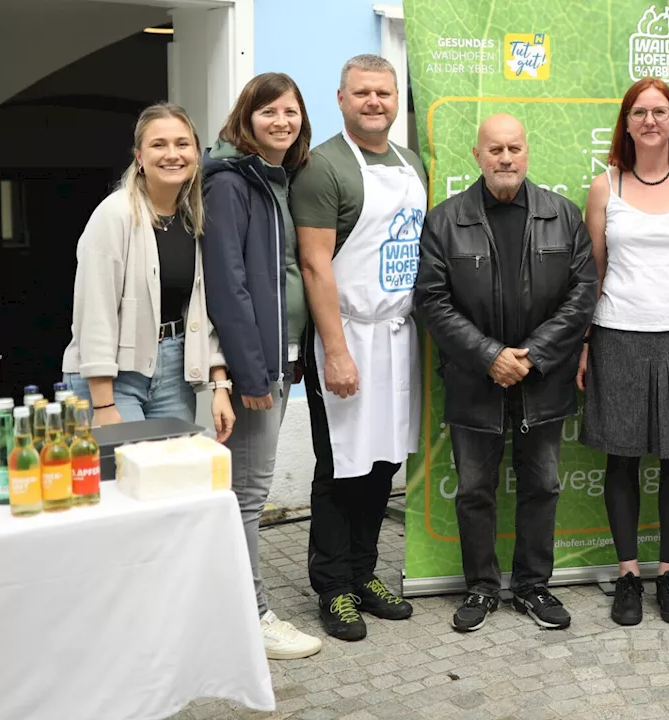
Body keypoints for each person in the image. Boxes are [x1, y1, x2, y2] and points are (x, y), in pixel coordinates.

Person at [416, 113, 597, 633]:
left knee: (542, 485)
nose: (505, 158)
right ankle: (480, 587)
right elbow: (432, 301)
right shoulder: (445, 220)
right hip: (476, 382)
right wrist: (490, 356)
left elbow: (582, 294)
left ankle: (533, 586)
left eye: (513, 148)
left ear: (527, 152)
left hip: (542, 383)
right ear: (477, 156)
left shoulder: (562, 215)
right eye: (494, 149)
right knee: (474, 489)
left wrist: (532, 355)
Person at [577, 78, 669, 626]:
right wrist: (588, 340)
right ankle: (629, 575)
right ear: (627, 122)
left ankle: (668, 574)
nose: (651, 121)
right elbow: (595, 269)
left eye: (661, 111)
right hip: (618, 331)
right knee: (623, 457)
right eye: (640, 112)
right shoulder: (604, 186)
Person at [291, 54, 421, 642]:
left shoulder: (410, 162)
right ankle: (333, 587)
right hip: (345, 335)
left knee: (383, 460)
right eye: (363, 93)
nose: (375, 102)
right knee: (340, 465)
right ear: (341, 99)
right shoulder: (324, 168)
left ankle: (365, 574)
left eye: (385, 93)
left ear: (397, 101)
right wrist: (337, 352)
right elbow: (316, 265)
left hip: (398, 334)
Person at [202, 72, 321, 659]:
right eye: (269, 111)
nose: (282, 120)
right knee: (246, 495)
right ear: (246, 118)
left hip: (280, 359)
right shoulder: (230, 182)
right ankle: (253, 618)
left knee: (243, 492)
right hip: (257, 370)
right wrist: (251, 374)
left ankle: (229, 611)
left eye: (291, 111)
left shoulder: (275, 180)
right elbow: (230, 286)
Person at [63, 103, 233, 441]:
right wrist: (102, 405)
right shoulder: (113, 215)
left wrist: (220, 384)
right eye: (159, 145)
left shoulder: (193, 217)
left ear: (197, 154)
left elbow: (204, 309)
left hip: (173, 371)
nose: (173, 154)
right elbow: (94, 315)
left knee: (170, 482)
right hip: (112, 380)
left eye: (182, 144)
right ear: (139, 156)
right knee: (125, 479)